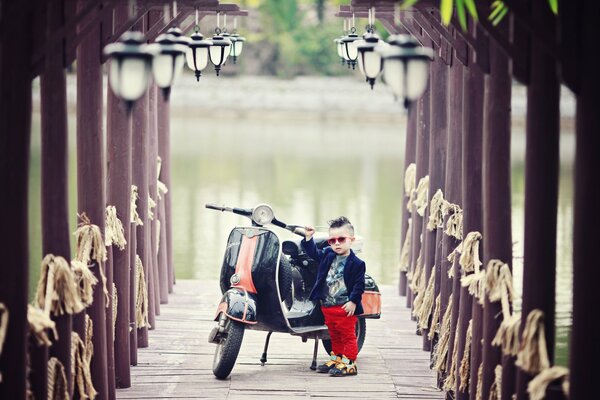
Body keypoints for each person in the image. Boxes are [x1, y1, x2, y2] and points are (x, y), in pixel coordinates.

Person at [302, 216, 365, 377]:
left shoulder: (357, 263)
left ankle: (350, 363)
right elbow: (313, 253)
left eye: (341, 239)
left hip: (345, 307)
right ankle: (337, 359)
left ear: (351, 240)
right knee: (333, 335)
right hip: (328, 306)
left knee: (347, 336)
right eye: (332, 240)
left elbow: (359, 286)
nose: (337, 243)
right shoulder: (328, 254)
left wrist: (353, 302)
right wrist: (309, 238)